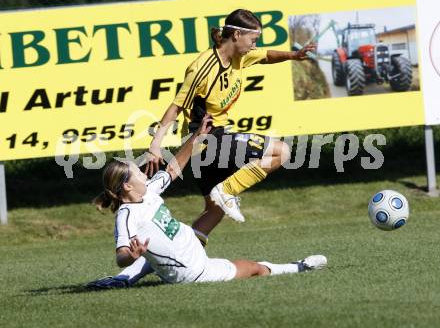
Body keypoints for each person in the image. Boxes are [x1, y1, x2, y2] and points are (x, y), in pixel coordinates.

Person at [88, 115, 326, 289]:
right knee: (254, 268)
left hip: (189, 243)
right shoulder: (127, 214)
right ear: (128, 186)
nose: (143, 173)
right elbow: (121, 256)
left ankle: (122, 280)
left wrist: (197, 136)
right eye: (137, 173)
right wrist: (132, 254)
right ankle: (300, 266)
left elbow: (174, 166)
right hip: (193, 270)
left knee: (211, 214)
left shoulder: (148, 191)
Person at [145, 8, 315, 246]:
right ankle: (227, 191)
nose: (255, 46)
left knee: (214, 212)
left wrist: (294, 56)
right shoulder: (202, 68)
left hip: (204, 146)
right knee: (281, 151)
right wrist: (155, 144)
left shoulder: (241, 56)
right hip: (206, 141)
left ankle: (178, 258)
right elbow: (175, 107)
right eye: (253, 40)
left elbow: (267, 56)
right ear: (236, 35)